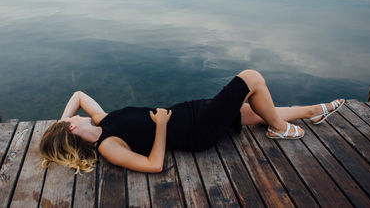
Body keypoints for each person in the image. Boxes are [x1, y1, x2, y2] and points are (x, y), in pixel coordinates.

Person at [40, 69, 345, 174]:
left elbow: (78, 94)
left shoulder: (101, 120)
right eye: (69, 120)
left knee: (258, 111)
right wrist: (160, 128)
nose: (74, 115)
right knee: (251, 79)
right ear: (72, 128)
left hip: (192, 111)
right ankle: (280, 129)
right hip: (197, 131)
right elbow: (153, 165)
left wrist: (61, 120)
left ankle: (312, 111)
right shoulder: (108, 146)